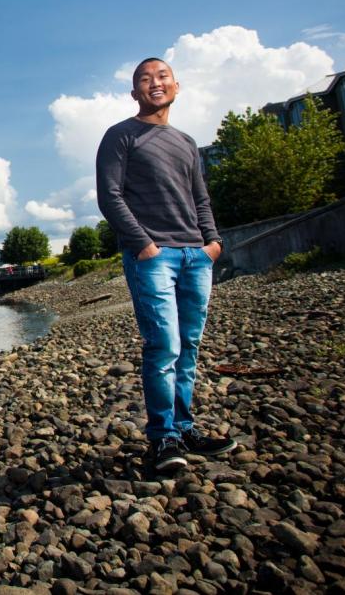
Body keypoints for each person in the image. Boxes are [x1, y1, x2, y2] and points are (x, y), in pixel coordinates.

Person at [95, 57, 238, 473]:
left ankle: (184, 427)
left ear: (176, 87)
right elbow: (110, 196)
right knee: (164, 347)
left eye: (162, 77)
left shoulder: (187, 143)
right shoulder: (121, 135)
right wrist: (144, 245)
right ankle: (163, 440)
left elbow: (201, 199)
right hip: (154, 257)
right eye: (145, 79)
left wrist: (212, 243)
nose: (155, 83)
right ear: (134, 92)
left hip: (197, 256)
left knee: (188, 348)